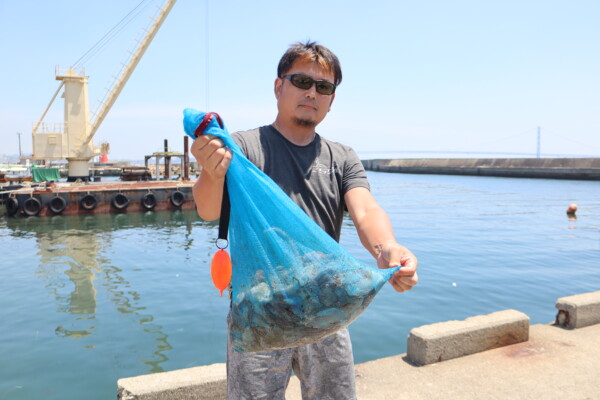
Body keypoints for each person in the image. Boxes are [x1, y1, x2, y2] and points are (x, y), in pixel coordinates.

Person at [190, 41, 418, 400]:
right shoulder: (243, 148)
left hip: (327, 304)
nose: (312, 92)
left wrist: (387, 247)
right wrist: (212, 172)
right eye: (301, 81)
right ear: (279, 86)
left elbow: (365, 210)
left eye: (323, 87)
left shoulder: (342, 157)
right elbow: (207, 209)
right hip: (259, 307)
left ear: (331, 100)